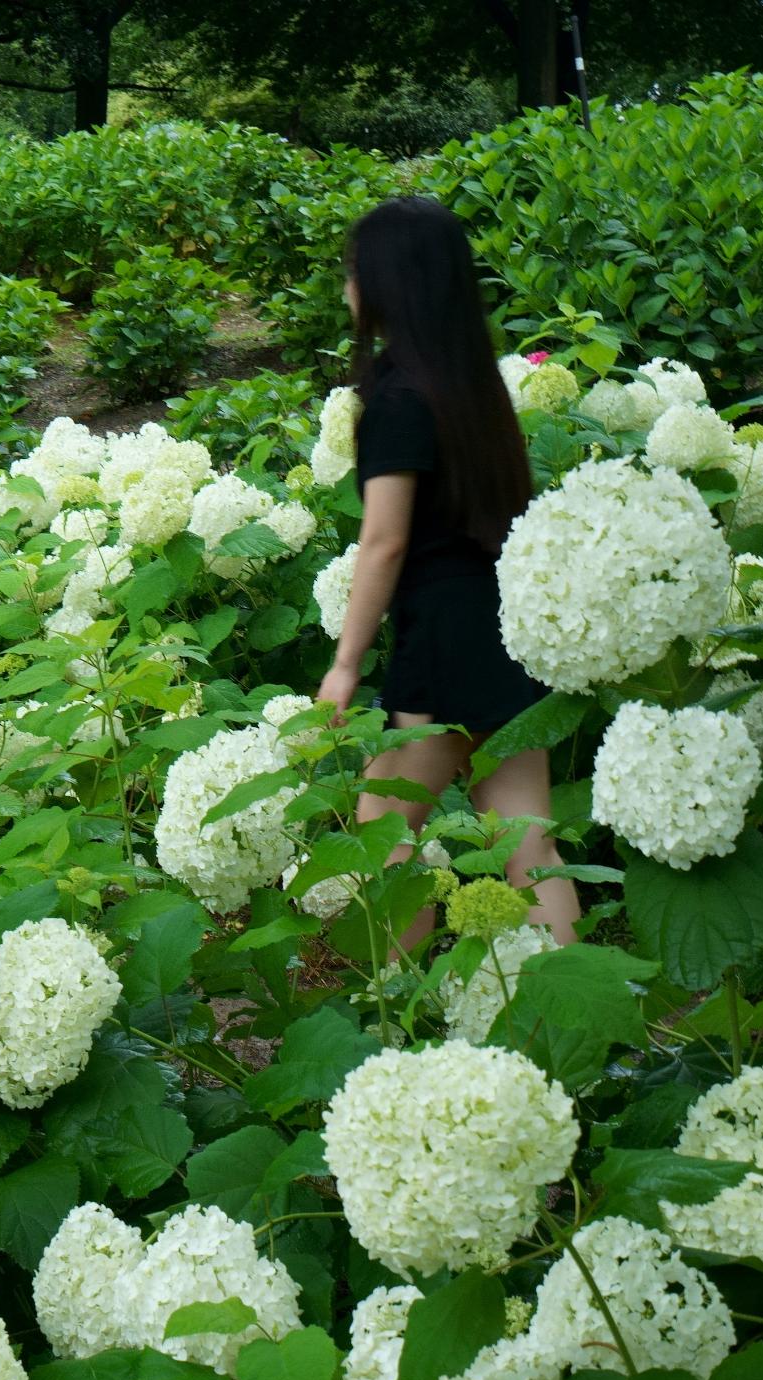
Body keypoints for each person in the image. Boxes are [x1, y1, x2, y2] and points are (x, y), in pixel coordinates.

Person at [314, 198, 579, 944]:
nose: (347, 287)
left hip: (442, 636)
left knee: (384, 827)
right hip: (507, 627)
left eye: (353, 272)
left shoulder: (398, 397)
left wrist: (345, 661)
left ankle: (403, 1011)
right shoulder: (476, 393)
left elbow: (384, 542)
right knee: (531, 842)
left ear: (388, 284)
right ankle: (573, 1024)